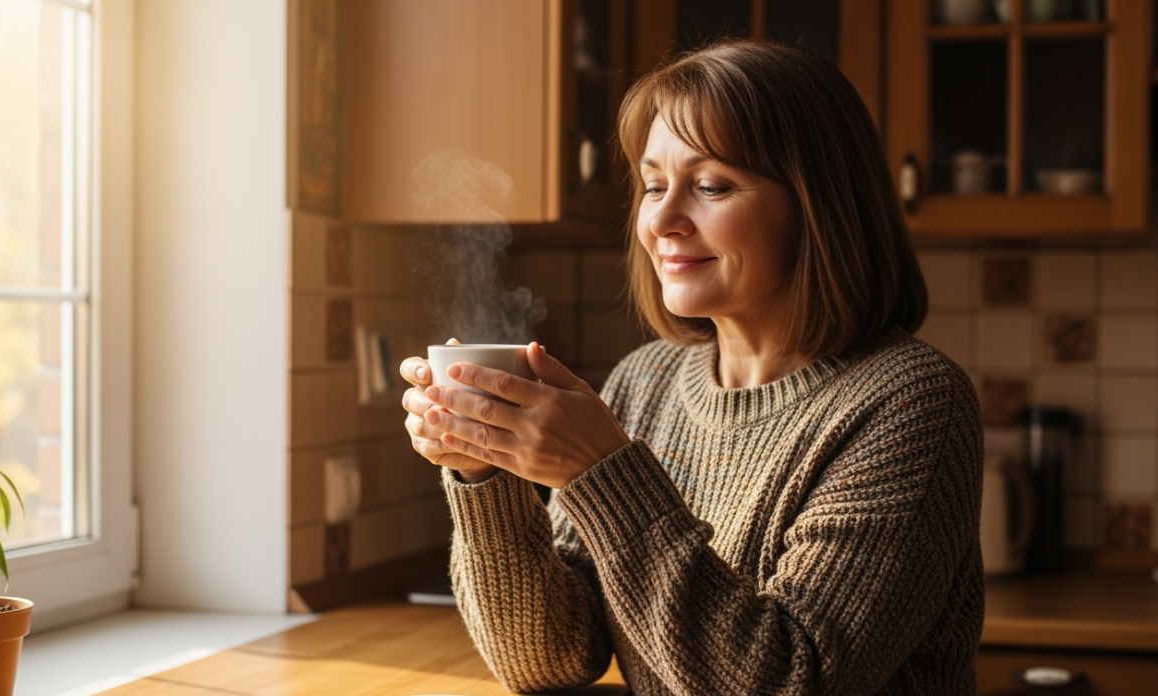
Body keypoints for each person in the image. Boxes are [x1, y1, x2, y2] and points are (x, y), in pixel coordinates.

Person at [400, 39, 983, 696]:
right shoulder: (643, 383)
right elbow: (551, 660)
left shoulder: (910, 402)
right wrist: (485, 471)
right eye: (653, 185)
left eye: (710, 185)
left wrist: (600, 473)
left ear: (817, 206)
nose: (663, 220)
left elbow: (791, 681)